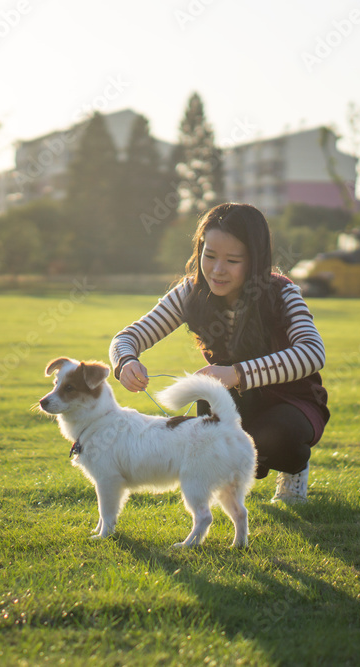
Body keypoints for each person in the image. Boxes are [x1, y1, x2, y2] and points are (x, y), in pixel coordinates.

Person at [109, 202, 329, 504]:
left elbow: (312, 353)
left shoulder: (282, 293)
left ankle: (294, 470)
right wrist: (126, 361)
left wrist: (236, 373)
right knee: (210, 412)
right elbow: (128, 337)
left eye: (233, 260)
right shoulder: (190, 292)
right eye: (209, 255)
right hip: (234, 401)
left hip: (292, 402)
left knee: (276, 439)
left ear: (255, 260)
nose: (217, 269)